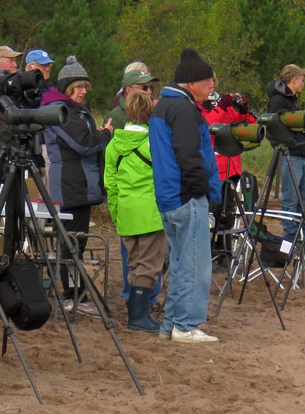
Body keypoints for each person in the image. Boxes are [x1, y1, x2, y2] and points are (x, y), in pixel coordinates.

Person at [150, 48, 222, 343]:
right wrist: (201, 191)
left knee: (181, 263)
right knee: (195, 265)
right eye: (207, 83)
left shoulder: (163, 107)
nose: (212, 88)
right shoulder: (184, 110)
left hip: (168, 197)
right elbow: (189, 155)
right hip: (185, 197)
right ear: (191, 84)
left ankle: (171, 324)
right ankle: (186, 324)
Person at [41, 55, 113, 316]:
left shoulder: (71, 110)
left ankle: (76, 295)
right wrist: (105, 134)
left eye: (85, 87)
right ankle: (71, 297)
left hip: (79, 186)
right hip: (70, 186)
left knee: (76, 244)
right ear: (67, 87)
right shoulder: (62, 111)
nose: (83, 91)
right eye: (78, 87)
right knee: (70, 244)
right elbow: (84, 143)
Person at [103, 90, 166, 333]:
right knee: (149, 266)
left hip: (127, 211)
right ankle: (139, 318)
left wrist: (117, 213)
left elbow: (111, 183)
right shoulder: (154, 142)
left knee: (133, 263)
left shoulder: (113, 145)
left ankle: (137, 315)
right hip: (150, 212)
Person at [265, 63, 305, 242]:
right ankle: (292, 240)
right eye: (301, 79)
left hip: (301, 155)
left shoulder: (291, 99)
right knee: (291, 200)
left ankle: (304, 236)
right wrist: (290, 141)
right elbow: (273, 127)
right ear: (293, 79)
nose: (303, 83)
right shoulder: (278, 101)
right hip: (290, 155)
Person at [201, 90, 255, 181]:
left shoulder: (228, 108)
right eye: (206, 82)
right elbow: (208, 127)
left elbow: (252, 129)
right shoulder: (196, 106)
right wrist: (221, 107)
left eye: (212, 81)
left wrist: (244, 111)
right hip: (214, 168)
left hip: (233, 166)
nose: (210, 86)